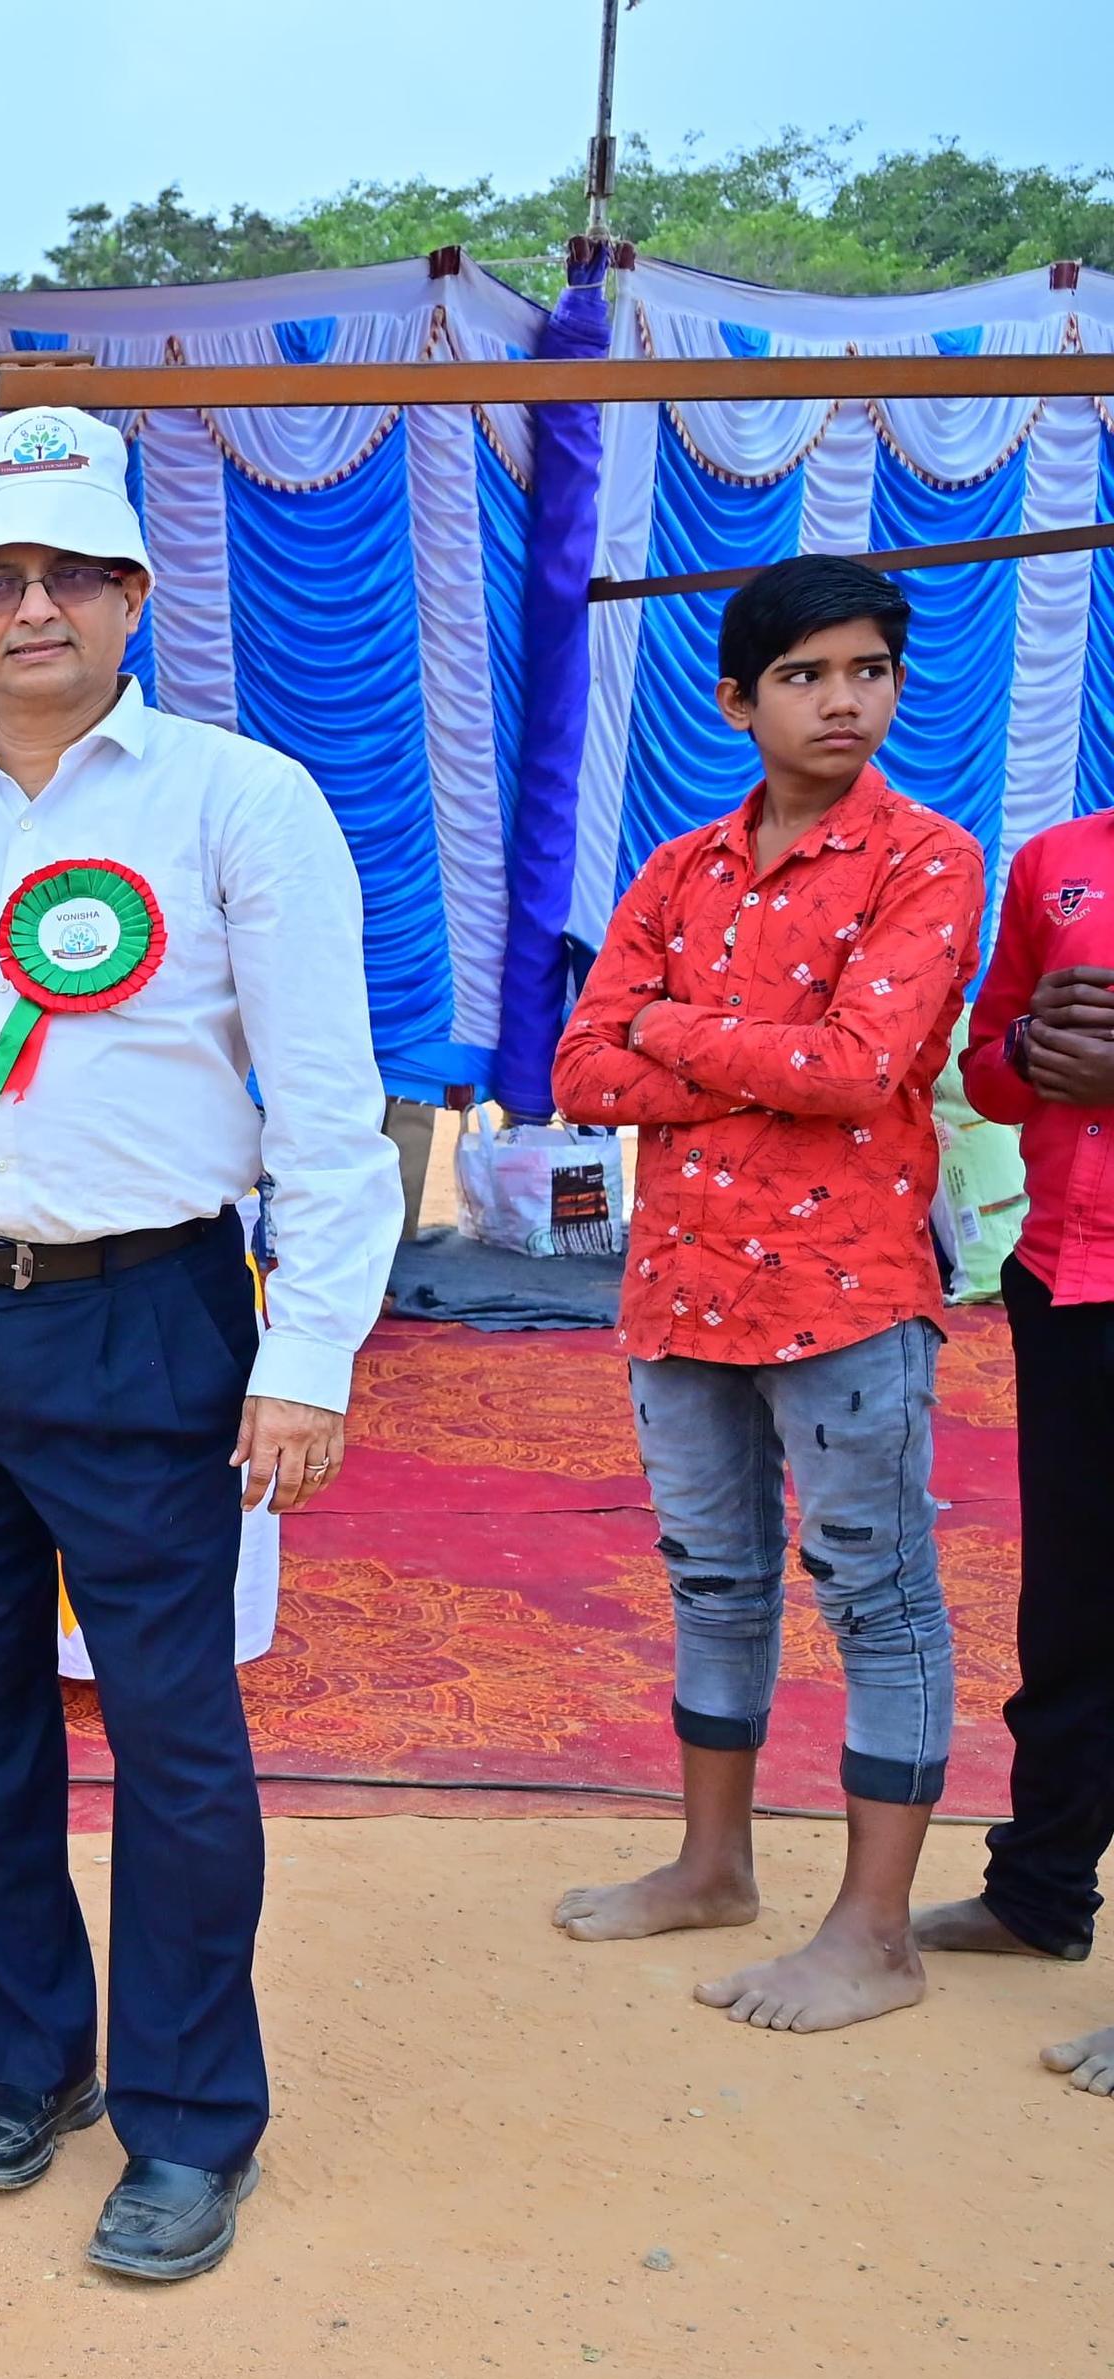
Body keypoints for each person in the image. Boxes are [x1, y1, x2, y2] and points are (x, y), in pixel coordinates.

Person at [0, 407, 394, 2283]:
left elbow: (329, 1107)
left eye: (72, 574)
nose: (35, 608)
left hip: (151, 1317)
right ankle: (28, 2059)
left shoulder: (242, 799)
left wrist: (305, 1349)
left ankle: (189, 2119)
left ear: (135, 595)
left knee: (173, 1736)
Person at [550, 555, 982, 2036]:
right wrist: (753, 1040)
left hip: (849, 1288)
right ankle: (713, 1864)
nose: (842, 700)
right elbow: (580, 1066)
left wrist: (679, 1030)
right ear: (737, 700)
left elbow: (865, 1064)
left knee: (876, 1592)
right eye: (806, 675)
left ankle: (874, 1933)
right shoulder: (679, 869)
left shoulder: (928, 859)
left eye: (867, 670)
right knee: (713, 1578)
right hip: (679, 1287)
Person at [912, 799, 1114, 2095]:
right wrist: (1038, 1048)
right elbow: (982, 1067)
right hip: (1067, 1280)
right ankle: (1038, 1894)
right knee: (1072, 1616)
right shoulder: (1061, 859)